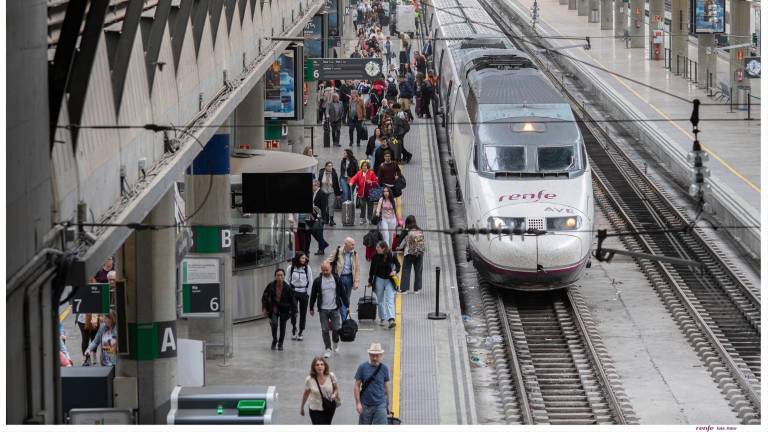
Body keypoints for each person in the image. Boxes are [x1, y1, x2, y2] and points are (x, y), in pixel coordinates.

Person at [309, 261, 348, 358]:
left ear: (331, 268)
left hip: (334, 308)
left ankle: (335, 342)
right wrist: (311, 307)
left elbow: (342, 293)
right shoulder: (318, 281)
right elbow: (313, 295)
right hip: (323, 310)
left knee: (336, 329)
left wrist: (347, 305)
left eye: (327, 270)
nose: (325, 272)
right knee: (325, 330)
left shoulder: (336, 279)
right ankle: (328, 348)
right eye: (323, 270)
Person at [354, 343, 391, 425]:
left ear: (381, 355)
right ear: (369, 354)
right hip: (365, 405)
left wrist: (388, 403)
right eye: (372, 355)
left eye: (377, 356)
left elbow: (386, 387)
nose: (374, 358)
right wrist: (358, 403)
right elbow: (357, 385)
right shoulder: (362, 367)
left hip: (380, 405)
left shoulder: (384, 368)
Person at [261, 269, 297, 350]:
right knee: (274, 324)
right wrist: (264, 308)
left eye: (281, 275)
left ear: (284, 276)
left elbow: (293, 300)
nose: (280, 277)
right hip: (274, 308)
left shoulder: (288, 288)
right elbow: (264, 297)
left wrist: (294, 311)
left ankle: (280, 344)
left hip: (284, 309)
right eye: (278, 275)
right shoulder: (271, 286)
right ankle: (274, 340)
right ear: (275, 276)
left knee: (282, 327)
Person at [367, 241, 400, 328]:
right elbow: (371, 270)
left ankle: (391, 319)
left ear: (383, 248)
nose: (376, 249)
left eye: (378, 248)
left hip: (389, 280)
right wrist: (370, 281)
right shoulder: (375, 256)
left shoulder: (391, 255)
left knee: (389, 299)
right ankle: (382, 318)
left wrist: (394, 271)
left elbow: (398, 266)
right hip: (379, 280)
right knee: (380, 300)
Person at [301, 357, 340, 424]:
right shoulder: (309, 379)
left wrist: (334, 394)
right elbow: (306, 393)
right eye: (317, 365)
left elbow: (336, 388)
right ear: (314, 367)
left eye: (322, 364)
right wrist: (302, 407)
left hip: (329, 407)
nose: (320, 366)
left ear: (325, 366)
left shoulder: (331, 376)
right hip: (315, 408)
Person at [329, 237, 360, 320]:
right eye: (351, 244)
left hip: (350, 278)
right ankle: (344, 319)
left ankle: (344, 316)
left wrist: (356, 281)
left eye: (354, 244)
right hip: (340, 278)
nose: (353, 246)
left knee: (347, 299)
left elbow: (357, 268)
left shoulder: (355, 254)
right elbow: (328, 262)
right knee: (342, 299)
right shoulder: (337, 252)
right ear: (346, 244)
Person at [287, 252, 313, 340]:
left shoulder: (307, 268)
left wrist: (308, 294)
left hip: (304, 293)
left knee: (303, 313)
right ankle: (294, 328)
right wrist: (288, 293)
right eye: (302, 258)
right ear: (298, 258)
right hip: (293, 292)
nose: (304, 260)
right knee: (293, 312)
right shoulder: (290, 268)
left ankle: (301, 331)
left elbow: (310, 281)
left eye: (305, 258)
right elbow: (287, 281)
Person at [396, 215, 425, 294]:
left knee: (406, 270)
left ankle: (405, 289)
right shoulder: (420, 230)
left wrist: (398, 248)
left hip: (409, 253)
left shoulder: (407, 231)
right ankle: (417, 289)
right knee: (418, 270)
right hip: (419, 253)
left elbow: (401, 242)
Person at [348, 160, 379, 225]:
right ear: (361, 167)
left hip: (370, 193)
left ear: (368, 166)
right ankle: (362, 218)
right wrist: (351, 182)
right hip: (361, 193)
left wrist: (371, 182)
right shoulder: (359, 173)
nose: (364, 167)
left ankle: (369, 218)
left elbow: (376, 182)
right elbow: (354, 178)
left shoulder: (371, 173)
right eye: (363, 166)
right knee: (362, 206)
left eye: (365, 166)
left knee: (370, 206)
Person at [318, 161, 341, 226]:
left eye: (331, 166)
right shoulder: (321, 172)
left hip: (331, 191)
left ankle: (331, 219)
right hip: (323, 191)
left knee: (331, 205)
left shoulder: (334, 173)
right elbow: (319, 182)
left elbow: (336, 184)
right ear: (325, 167)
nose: (330, 167)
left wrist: (338, 194)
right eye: (329, 166)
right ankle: (325, 219)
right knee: (325, 206)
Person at [311, 180, 330, 255]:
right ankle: (323, 244)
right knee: (312, 231)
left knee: (319, 233)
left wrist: (321, 218)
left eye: (312, 186)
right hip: (313, 216)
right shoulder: (313, 193)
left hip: (319, 217)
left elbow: (323, 207)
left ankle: (321, 250)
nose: (312, 187)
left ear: (317, 185)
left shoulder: (322, 194)